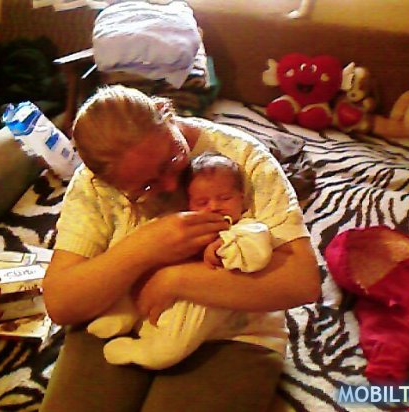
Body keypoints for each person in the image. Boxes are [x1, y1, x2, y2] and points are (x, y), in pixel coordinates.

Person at [40, 85, 320, 412]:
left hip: (234, 330)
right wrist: (145, 247)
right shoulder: (92, 186)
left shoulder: (242, 156)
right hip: (119, 315)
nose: (172, 185)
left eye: (172, 159)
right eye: (146, 186)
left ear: (167, 113)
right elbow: (61, 303)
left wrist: (175, 280)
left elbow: (302, 282)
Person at [86, 152, 275, 369]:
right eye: (202, 202)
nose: (214, 206)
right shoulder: (187, 223)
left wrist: (223, 247)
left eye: (225, 198)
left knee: (170, 349)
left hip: (202, 305)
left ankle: (142, 352)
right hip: (159, 293)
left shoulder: (246, 228)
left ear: (241, 198)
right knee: (139, 277)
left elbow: (257, 255)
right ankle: (123, 314)